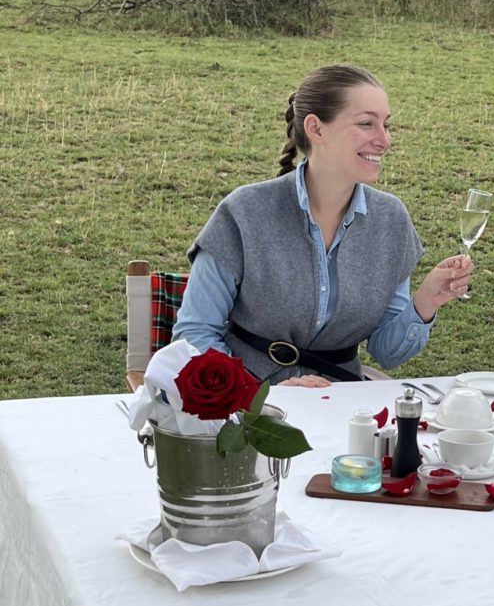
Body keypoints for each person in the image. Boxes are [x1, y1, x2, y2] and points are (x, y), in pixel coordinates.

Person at [173, 64, 473, 388]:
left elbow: (387, 353)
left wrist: (425, 301)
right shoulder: (243, 213)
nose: (384, 141)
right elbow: (194, 335)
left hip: (342, 409)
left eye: (386, 126)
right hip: (249, 411)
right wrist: (258, 395)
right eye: (366, 124)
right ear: (316, 129)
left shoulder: (390, 220)